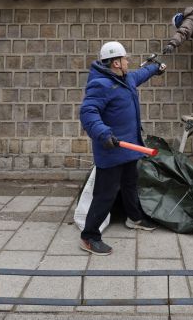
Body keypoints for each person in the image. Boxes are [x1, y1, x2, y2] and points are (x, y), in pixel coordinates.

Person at [79, 41, 166, 255]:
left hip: (129, 147)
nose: (128, 62)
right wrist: (103, 133)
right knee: (105, 194)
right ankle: (89, 236)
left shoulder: (126, 79)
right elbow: (88, 112)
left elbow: (141, 73)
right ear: (116, 62)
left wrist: (156, 68)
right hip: (111, 149)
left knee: (130, 184)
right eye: (125, 59)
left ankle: (134, 217)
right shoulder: (101, 84)